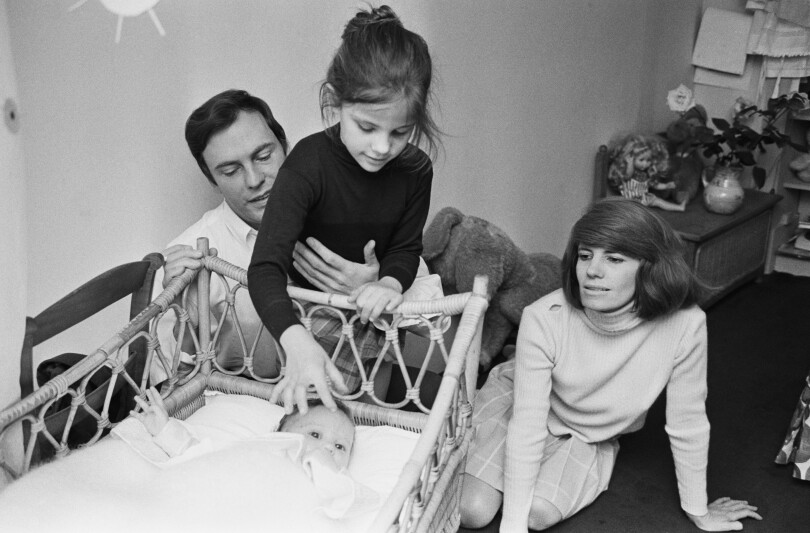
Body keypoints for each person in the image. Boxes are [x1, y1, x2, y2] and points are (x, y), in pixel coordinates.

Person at [459, 198, 762, 531]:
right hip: (522, 406)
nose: (592, 270)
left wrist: (698, 510)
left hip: (590, 434)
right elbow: (527, 425)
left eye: (614, 259)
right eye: (586, 255)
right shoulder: (542, 317)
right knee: (474, 512)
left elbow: (687, 421)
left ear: (650, 267)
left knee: (538, 515)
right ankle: (513, 367)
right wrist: (511, 527)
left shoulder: (685, 325)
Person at [248, 5, 441, 415]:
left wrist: (388, 285)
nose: (382, 147)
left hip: (378, 321)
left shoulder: (416, 170)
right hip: (307, 321)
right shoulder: (308, 163)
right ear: (334, 104)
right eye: (367, 127)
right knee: (315, 428)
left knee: (373, 428)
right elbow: (264, 268)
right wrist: (295, 340)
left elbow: (406, 249)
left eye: (400, 132)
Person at [150, 89, 380, 385]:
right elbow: (164, 383)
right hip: (254, 402)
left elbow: (431, 310)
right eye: (231, 171)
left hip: (366, 396)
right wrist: (180, 307)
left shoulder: (341, 206)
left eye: (263, 156)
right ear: (212, 179)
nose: (254, 180)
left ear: (286, 148)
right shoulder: (192, 253)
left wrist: (377, 287)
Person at [608, 134, 686, 212]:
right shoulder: (629, 172)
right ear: (631, 158)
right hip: (632, 201)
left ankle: (679, 207)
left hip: (644, 197)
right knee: (641, 209)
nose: (645, 164)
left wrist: (666, 186)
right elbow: (628, 176)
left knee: (659, 202)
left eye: (648, 160)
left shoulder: (645, 173)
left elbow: (653, 184)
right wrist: (630, 164)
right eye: (641, 160)